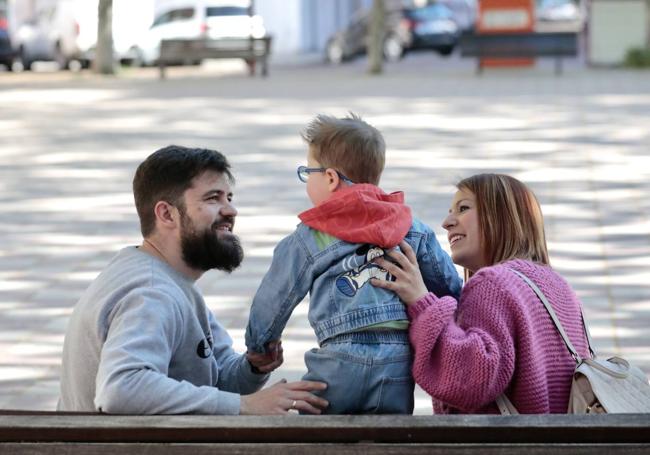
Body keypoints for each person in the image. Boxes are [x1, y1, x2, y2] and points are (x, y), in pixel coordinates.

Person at [58, 145, 328, 415]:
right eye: (213, 199)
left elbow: (217, 379)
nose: (231, 210)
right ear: (166, 214)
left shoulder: (164, 278)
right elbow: (122, 388)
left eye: (229, 197)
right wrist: (244, 406)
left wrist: (252, 367)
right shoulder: (151, 293)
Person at [245, 114, 462, 414]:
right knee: (389, 439)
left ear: (331, 178)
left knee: (322, 439)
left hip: (338, 360)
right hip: (398, 362)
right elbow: (449, 288)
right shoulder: (411, 227)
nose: (307, 180)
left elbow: (273, 297)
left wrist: (260, 345)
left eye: (309, 172)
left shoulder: (310, 237)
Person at [371, 173, 591, 414]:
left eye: (462, 208)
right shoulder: (559, 287)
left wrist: (421, 302)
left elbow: (467, 381)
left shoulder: (493, 283)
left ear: (501, 217)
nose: (446, 222)